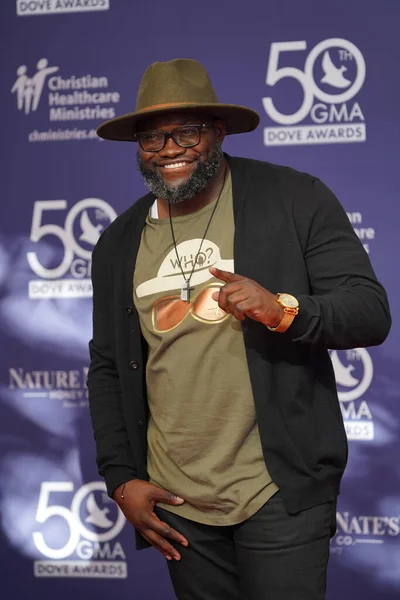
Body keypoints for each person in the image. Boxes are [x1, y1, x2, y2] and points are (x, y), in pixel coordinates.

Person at [87, 58, 391, 600]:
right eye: (152, 138)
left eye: (187, 131)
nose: (170, 149)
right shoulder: (118, 242)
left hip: (279, 487)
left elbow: (369, 311)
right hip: (177, 502)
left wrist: (284, 312)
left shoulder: (293, 198)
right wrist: (121, 478)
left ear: (218, 132)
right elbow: (109, 366)